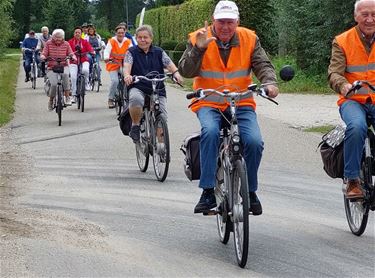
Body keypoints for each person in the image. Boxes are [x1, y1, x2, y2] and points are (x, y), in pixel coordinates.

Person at [178, 0, 278, 214]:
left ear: (237, 22)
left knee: (253, 141)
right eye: (221, 22)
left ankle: (250, 191)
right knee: (210, 131)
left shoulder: (249, 38)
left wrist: (269, 83)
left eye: (230, 22)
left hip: (241, 102)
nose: (225, 27)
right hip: (208, 101)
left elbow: (263, 64)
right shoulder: (198, 37)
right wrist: (199, 49)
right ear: (213, 21)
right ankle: (206, 191)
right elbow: (186, 71)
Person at [328, 0, 375, 199]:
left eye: (374, 14)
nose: (370, 19)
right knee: (356, 126)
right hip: (352, 100)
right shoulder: (343, 40)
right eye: (365, 14)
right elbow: (334, 73)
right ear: (356, 17)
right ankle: (352, 180)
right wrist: (344, 85)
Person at [124, 24, 183, 142]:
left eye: (145, 37)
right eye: (139, 37)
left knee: (162, 116)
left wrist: (176, 73)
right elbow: (127, 65)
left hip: (157, 87)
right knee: (136, 99)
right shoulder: (131, 52)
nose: (142, 40)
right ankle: (135, 126)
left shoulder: (159, 52)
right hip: (138, 85)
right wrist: (127, 76)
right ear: (136, 38)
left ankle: (161, 147)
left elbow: (169, 64)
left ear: (151, 38)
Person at [40, 29, 76, 110]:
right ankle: (51, 100)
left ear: (63, 37)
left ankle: (67, 97)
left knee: (66, 75)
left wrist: (73, 57)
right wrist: (43, 57)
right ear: (53, 37)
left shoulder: (66, 44)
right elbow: (44, 53)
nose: (58, 39)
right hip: (52, 67)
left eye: (60, 37)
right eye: (56, 37)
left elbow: (70, 53)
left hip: (63, 65)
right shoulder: (48, 43)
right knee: (54, 84)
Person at [104, 24, 133, 108]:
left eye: (122, 32)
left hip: (124, 64)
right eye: (119, 33)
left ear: (125, 33)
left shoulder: (127, 41)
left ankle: (128, 95)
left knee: (128, 78)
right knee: (115, 81)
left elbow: (132, 51)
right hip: (113, 63)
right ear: (116, 33)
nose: (120, 34)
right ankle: (111, 99)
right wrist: (106, 57)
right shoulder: (112, 41)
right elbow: (107, 50)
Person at [68, 26, 95, 103]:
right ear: (74, 33)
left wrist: (92, 51)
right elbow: (67, 50)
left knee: (85, 70)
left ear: (81, 34)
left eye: (79, 32)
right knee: (73, 77)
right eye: (76, 32)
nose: (77, 34)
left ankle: (86, 83)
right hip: (73, 61)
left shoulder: (85, 42)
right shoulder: (70, 42)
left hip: (83, 59)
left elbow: (90, 48)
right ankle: (73, 95)